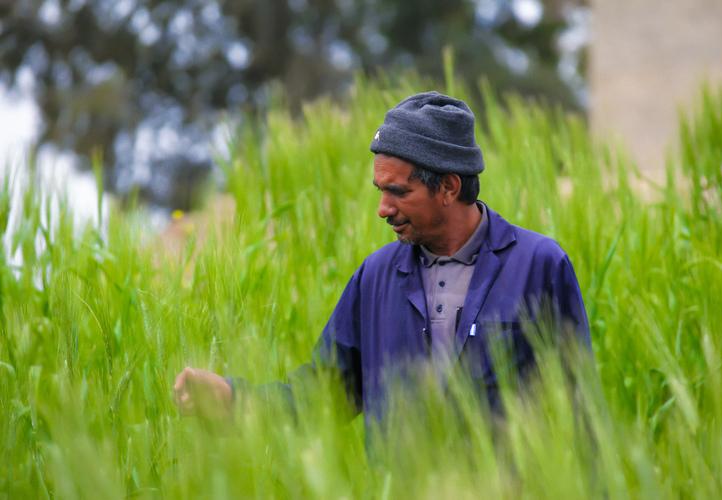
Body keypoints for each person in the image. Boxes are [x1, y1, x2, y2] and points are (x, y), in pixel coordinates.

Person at [173, 91, 591, 422]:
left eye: (399, 192)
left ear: (447, 187)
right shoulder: (375, 278)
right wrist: (232, 398)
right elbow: (323, 397)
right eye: (381, 191)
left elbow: (580, 413)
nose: (383, 209)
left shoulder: (538, 266)